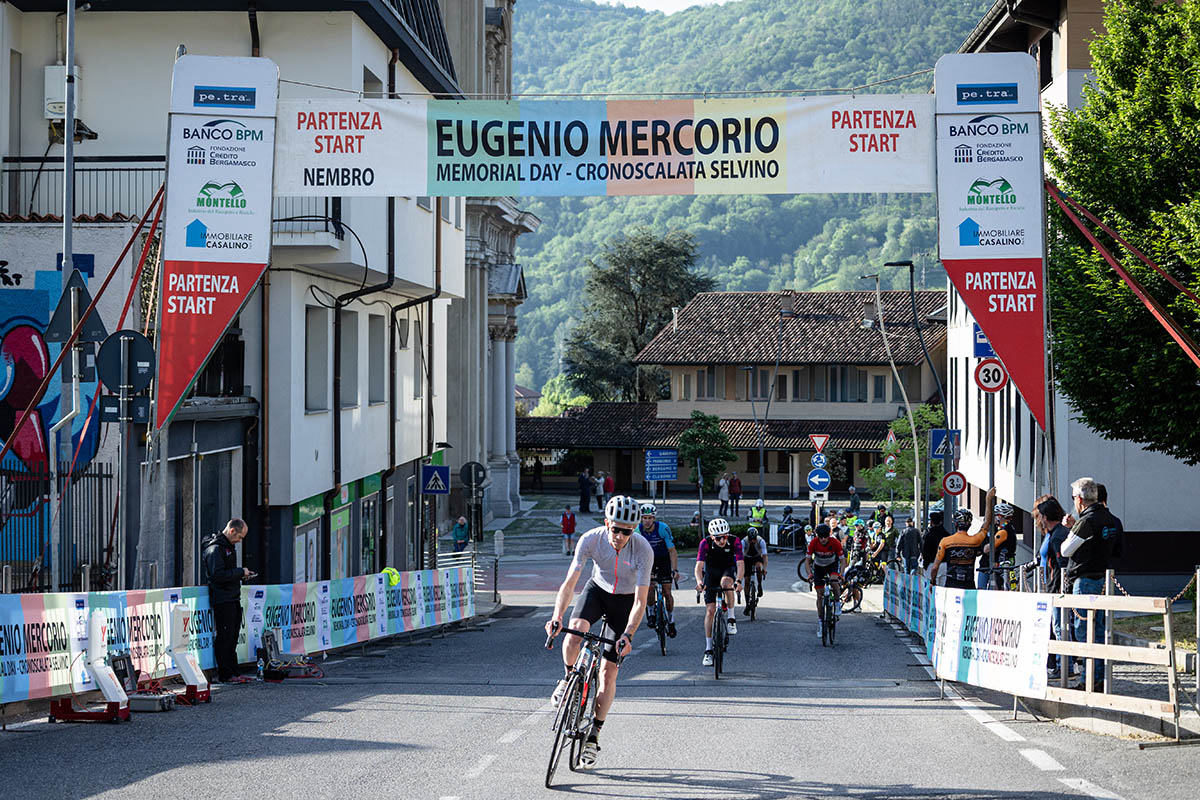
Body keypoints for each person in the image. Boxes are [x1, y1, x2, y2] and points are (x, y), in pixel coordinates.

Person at [545, 495, 652, 769]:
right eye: (616, 529)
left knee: (608, 671)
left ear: (634, 529)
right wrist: (557, 616)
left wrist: (628, 635)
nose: (620, 536)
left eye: (627, 531)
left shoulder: (643, 550)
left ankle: (594, 734)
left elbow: (640, 601)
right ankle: (568, 679)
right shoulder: (591, 539)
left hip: (625, 602)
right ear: (607, 524)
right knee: (574, 633)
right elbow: (570, 583)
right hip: (597, 591)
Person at [1061, 477, 1123, 692]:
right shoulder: (1110, 519)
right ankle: (1099, 678)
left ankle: (1088, 679)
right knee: (1099, 631)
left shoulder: (1086, 521)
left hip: (1084, 579)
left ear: (1079, 499)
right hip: (1103, 578)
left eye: (1073, 498)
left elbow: (1065, 550)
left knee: (1084, 632)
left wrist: (1071, 529)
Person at [203, 519, 254, 684]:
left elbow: (226, 573)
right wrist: (240, 572)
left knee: (232, 636)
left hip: (232, 596)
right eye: (239, 537)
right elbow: (217, 575)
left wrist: (241, 575)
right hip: (223, 598)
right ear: (232, 531)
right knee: (225, 636)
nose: (239, 540)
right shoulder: (215, 548)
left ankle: (233, 671)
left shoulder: (227, 546)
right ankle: (225, 673)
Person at [695, 517, 743, 666]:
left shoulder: (735, 541)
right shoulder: (705, 543)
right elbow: (698, 566)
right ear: (712, 537)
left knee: (726, 583)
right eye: (718, 538)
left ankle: (731, 619)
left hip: (728, 570)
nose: (722, 540)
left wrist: (739, 581)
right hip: (711, 573)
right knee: (710, 611)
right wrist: (699, 582)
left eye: (724, 537)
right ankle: (708, 649)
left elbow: (740, 564)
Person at [1036, 496, 1072, 679]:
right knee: (1058, 626)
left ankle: (1064, 666)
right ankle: (1063, 665)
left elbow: (1062, 564)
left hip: (1057, 587)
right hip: (1052, 585)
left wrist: (1059, 588)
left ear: (1045, 517)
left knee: (1060, 627)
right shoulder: (1055, 532)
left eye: (1040, 515)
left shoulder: (1057, 535)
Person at [637, 503, 679, 637]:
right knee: (649, 587)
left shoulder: (662, 528)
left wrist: (675, 570)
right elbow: (635, 552)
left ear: (654, 519)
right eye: (644, 518)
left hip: (663, 560)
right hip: (647, 560)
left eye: (650, 518)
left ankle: (671, 620)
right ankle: (651, 612)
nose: (647, 521)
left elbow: (672, 551)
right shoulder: (638, 530)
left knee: (667, 592)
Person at [928, 508, 985, 590]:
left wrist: (932, 582)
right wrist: (989, 501)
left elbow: (935, 568)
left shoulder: (945, 541)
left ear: (955, 524)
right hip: (969, 585)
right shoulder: (975, 540)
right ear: (969, 525)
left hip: (951, 585)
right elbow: (986, 526)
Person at [805, 523, 845, 638]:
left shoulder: (835, 542)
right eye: (820, 537)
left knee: (833, 581)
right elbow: (807, 561)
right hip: (819, 567)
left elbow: (842, 561)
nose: (823, 539)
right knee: (820, 595)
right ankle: (820, 622)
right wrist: (809, 574)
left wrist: (841, 574)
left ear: (828, 535)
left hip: (832, 565)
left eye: (825, 537)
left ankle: (837, 602)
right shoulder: (813, 543)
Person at [981, 500, 1016, 589]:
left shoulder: (1003, 531)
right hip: (1003, 568)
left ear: (1000, 516)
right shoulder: (1008, 528)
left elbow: (986, 549)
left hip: (1001, 570)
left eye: (995, 516)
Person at [740, 524, 768, 613]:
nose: (752, 541)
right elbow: (740, 558)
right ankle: (747, 604)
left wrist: (764, 569)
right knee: (747, 581)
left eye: (754, 539)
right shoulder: (743, 542)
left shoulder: (761, 541)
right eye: (750, 539)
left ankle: (759, 585)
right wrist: (740, 570)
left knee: (758, 567)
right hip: (747, 558)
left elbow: (765, 556)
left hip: (757, 557)